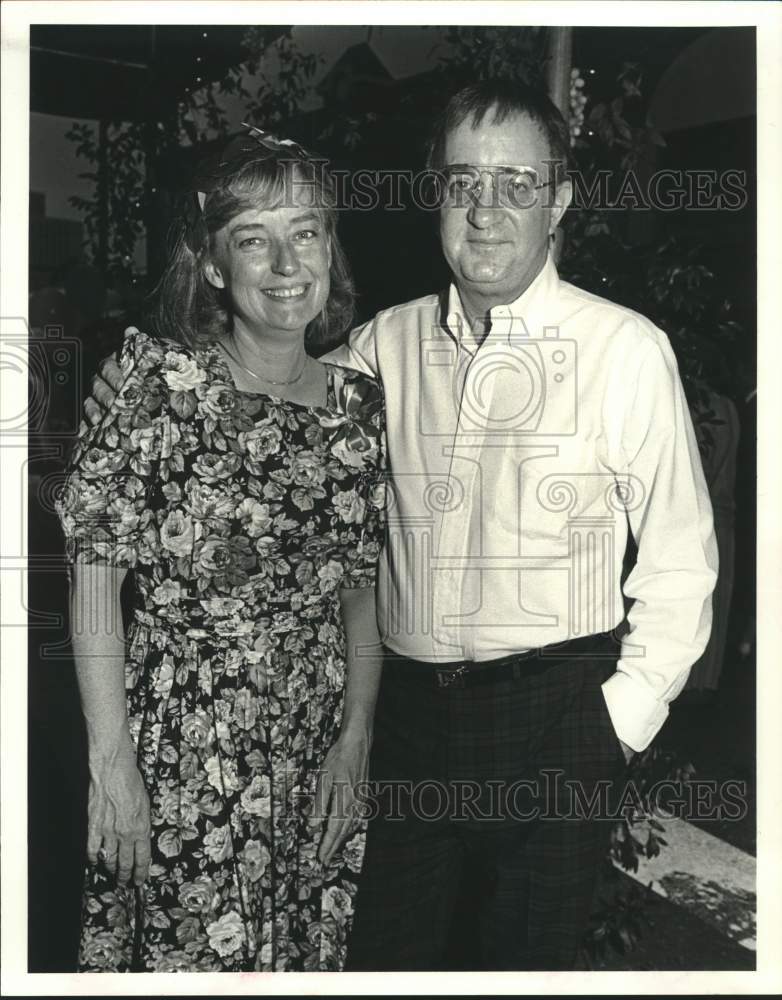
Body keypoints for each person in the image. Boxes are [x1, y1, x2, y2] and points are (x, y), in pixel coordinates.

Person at [85, 80, 718, 971]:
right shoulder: (385, 346)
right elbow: (263, 378)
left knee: (524, 971)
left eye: (516, 185)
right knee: (378, 959)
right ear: (436, 195)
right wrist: (144, 377)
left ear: (560, 200)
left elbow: (683, 564)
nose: (486, 212)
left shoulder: (625, 350)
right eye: (463, 182)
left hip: (555, 722)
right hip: (407, 724)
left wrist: (616, 724)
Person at [57, 127, 387, 972]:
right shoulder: (159, 384)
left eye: (304, 231)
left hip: (315, 746)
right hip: (185, 750)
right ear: (212, 265)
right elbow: (95, 574)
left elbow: (359, 591)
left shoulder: (360, 407)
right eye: (253, 238)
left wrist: (355, 741)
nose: (285, 262)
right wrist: (112, 765)